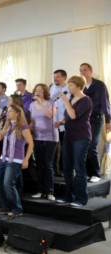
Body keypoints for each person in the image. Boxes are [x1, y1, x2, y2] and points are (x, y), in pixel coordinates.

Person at [0, 104, 34, 217]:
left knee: (8, 184)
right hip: (4, 158)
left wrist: (26, 159)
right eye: (8, 111)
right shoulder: (7, 125)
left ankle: (17, 208)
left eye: (10, 111)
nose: (8, 113)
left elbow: (31, 144)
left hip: (15, 159)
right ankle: (5, 207)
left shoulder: (23, 127)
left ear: (17, 113)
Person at [57, 76, 93, 207]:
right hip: (69, 136)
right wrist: (61, 122)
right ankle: (69, 196)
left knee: (79, 168)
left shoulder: (86, 100)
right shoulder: (71, 99)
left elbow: (73, 115)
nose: (69, 87)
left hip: (81, 137)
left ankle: (81, 198)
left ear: (78, 86)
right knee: (67, 168)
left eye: (71, 85)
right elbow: (69, 118)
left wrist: (66, 101)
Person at [81, 63, 111, 183]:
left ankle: (96, 173)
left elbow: (105, 103)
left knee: (92, 145)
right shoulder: (81, 86)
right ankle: (89, 173)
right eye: (81, 70)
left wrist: (109, 121)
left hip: (96, 119)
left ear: (90, 71)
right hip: (83, 121)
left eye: (85, 70)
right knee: (85, 146)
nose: (83, 72)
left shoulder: (99, 85)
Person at [29, 84, 58, 201]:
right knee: (39, 164)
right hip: (37, 137)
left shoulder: (51, 102)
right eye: (36, 90)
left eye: (40, 90)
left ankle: (50, 191)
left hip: (50, 137)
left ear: (45, 91)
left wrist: (41, 103)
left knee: (48, 164)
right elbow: (32, 121)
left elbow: (51, 115)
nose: (38, 92)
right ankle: (41, 190)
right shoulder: (31, 105)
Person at [50, 69, 70, 177]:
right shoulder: (51, 88)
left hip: (64, 123)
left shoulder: (69, 89)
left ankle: (63, 170)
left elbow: (69, 107)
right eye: (54, 76)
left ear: (64, 78)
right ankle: (53, 169)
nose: (55, 78)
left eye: (57, 76)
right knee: (53, 148)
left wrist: (63, 121)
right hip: (53, 123)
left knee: (64, 148)